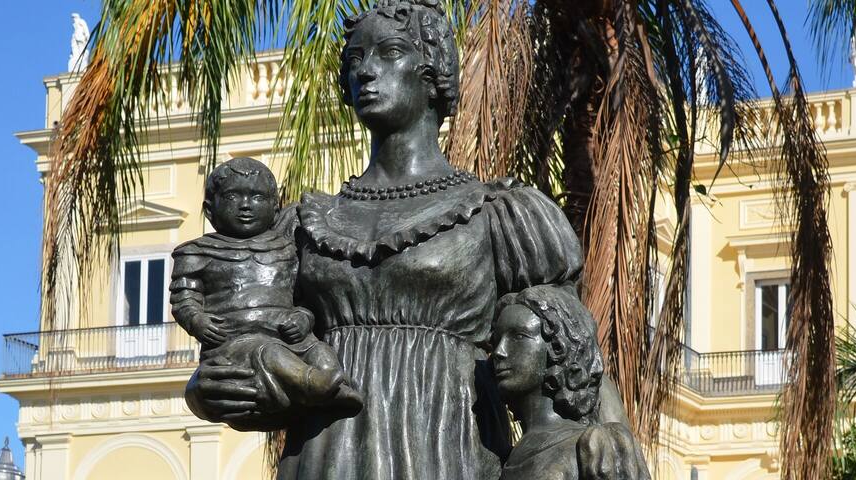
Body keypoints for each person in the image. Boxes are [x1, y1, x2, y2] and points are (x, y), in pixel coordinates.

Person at [184, 0, 632, 478]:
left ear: (434, 73)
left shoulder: (501, 214)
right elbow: (240, 340)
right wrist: (210, 391)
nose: (365, 71)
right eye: (355, 60)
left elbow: (572, 346)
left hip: (448, 448)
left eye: (390, 52)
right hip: (325, 455)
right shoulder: (303, 225)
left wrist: (613, 436)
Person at [170, 157, 362, 431]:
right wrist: (197, 320)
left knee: (319, 350)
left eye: (257, 197)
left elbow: (301, 298)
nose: (246, 205)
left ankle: (334, 383)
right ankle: (314, 385)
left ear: (274, 208)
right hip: (237, 342)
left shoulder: (286, 249)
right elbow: (184, 299)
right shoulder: (196, 252)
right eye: (233, 196)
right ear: (210, 210)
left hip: (290, 337)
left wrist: (303, 318)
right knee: (270, 353)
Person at [492, 286, 648, 479]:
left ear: (559, 347)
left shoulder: (597, 447)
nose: (499, 351)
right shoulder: (503, 458)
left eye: (518, 336)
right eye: (496, 340)